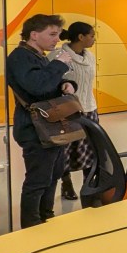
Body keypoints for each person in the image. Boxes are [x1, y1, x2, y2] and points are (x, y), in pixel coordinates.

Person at [6, 14, 76, 227]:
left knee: (53, 174)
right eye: (52, 34)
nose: (56, 39)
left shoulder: (38, 56)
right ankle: (31, 226)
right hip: (34, 128)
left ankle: (46, 217)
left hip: (50, 125)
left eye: (58, 34)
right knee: (37, 180)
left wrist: (66, 83)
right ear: (34, 35)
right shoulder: (20, 57)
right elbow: (37, 86)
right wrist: (60, 64)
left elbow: (49, 81)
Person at [49, 21, 97, 204]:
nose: (94, 39)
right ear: (81, 37)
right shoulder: (58, 56)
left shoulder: (90, 56)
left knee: (91, 149)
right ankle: (66, 183)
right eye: (92, 36)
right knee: (66, 150)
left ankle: (89, 185)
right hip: (67, 112)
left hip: (89, 108)